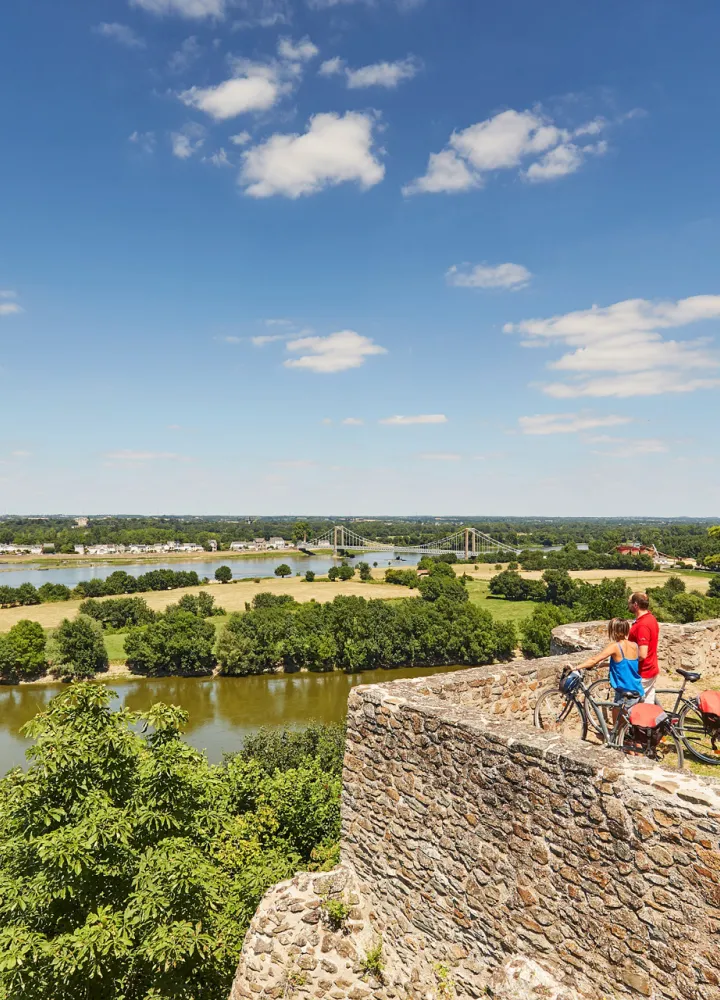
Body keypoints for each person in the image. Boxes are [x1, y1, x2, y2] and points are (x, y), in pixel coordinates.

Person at [574, 618, 643, 718]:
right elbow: (626, 664)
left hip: (624, 690)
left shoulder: (615, 646)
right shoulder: (634, 645)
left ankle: (616, 734)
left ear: (614, 631)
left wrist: (576, 668)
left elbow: (594, 660)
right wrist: (607, 665)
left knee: (617, 724)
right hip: (638, 689)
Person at [628, 591, 660, 704]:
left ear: (635, 604)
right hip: (651, 668)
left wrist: (625, 660)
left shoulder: (642, 625)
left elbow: (642, 654)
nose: (628, 605)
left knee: (629, 704)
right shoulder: (651, 618)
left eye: (630, 602)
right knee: (647, 705)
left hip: (643, 672)